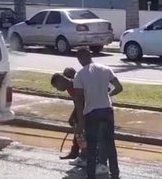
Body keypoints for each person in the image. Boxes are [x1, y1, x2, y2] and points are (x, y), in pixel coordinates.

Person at [74, 48, 123, 179]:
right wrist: (107, 94)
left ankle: (91, 175)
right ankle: (115, 173)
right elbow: (119, 87)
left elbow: (78, 99)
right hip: (107, 110)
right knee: (110, 144)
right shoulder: (106, 69)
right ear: (91, 55)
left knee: (92, 146)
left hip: (91, 112)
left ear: (79, 59)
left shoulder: (80, 75)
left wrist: (80, 121)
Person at [51, 69, 109, 175]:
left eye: (56, 87)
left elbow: (84, 102)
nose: (58, 90)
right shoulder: (70, 88)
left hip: (94, 110)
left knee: (90, 136)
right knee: (80, 135)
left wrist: (81, 121)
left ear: (60, 81)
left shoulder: (75, 86)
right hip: (86, 111)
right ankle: (84, 157)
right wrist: (74, 117)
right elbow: (77, 104)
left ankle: (100, 163)